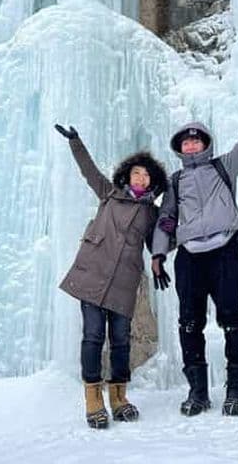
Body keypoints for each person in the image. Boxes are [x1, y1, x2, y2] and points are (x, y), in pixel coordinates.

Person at [150, 81, 238, 417]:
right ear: (180, 148)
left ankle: (236, 388)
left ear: (206, 143)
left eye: (197, 138)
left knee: (232, 317)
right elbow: (167, 219)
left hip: (225, 251)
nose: (192, 143)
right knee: (189, 323)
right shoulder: (175, 182)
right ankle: (197, 391)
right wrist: (157, 254)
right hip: (189, 259)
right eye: (186, 140)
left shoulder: (224, 166)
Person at [55, 124, 167, 429]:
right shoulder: (108, 194)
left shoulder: (151, 214)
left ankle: (119, 397)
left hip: (123, 284)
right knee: (92, 336)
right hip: (92, 276)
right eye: (136, 173)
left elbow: (162, 242)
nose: (141, 178)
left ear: (152, 182)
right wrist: (76, 142)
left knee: (120, 341)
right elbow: (88, 170)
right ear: (127, 176)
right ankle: (93, 399)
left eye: (146, 176)